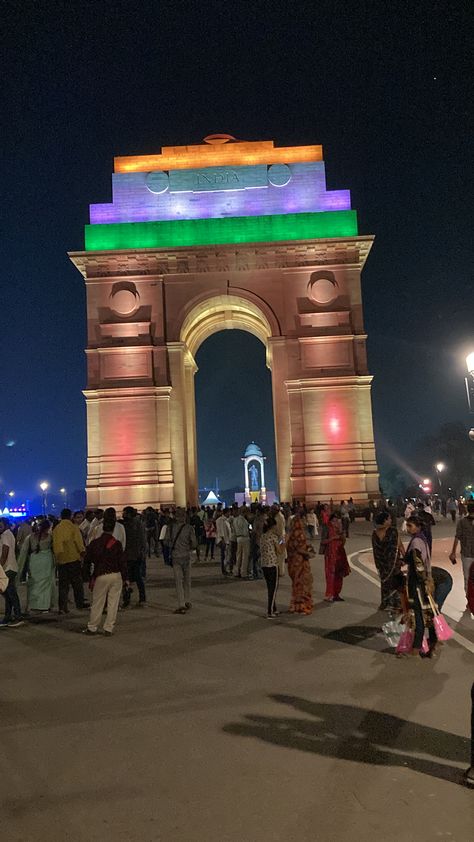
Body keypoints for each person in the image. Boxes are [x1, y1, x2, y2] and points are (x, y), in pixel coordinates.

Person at [82, 508, 129, 636]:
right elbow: (122, 561)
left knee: (98, 602)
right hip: (116, 574)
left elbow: (87, 560)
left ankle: (92, 627)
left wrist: (88, 575)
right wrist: (126, 578)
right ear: (113, 529)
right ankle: (108, 628)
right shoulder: (117, 544)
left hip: (101, 574)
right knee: (113, 603)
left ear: (102, 528)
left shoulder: (95, 543)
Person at [402, 515, 436, 658]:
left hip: (417, 583)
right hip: (425, 581)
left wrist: (422, 581)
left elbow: (418, 565)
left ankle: (416, 649)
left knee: (418, 614)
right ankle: (432, 644)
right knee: (427, 613)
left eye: (410, 526)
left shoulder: (416, 542)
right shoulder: (423, 539)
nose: (408, 528)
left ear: (418, 526)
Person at [52, 508, 86, 614]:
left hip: (61, 560)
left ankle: (62, 607)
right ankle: (79, 603)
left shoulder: (57, 528)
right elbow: (79, 543)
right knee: (77, 583)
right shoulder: (73, 527)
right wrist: (82, 552)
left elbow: (55, 545)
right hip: (73, 558)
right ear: (70, 516)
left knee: (63, 585)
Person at [18, 519, 56, 612]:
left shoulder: (30, 537)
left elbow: (23, 552)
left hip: (34, 561)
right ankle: (44, 605)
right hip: (46, 561)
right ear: (48, 528)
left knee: (34, 584)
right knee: (46, 584)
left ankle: (33, 604)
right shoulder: (50, 537)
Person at [164, 508, 197, 614]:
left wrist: (174, 546)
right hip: (186, 556)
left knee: (178, 581)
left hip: (176, 556)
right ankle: (188, 600)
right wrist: (187, 547)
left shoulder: (171, 528)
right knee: (187, 580)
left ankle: (181, 604)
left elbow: (166, 541)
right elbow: (194, 543)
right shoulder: (189, 528)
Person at [372, 510, 404, 609]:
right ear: (385, 521)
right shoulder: (393, 531)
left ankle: (385, 603)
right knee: (397, 583)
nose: (390, 520)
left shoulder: (374, 533)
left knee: (385, 582)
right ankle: (396, 603)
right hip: (393, 562)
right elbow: (399, 545)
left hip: (381, 563)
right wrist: (406, 557)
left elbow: (376, 550)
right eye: (389, 518)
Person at [286, 511, 313, 614]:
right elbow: (299, 548)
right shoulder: (299, 534)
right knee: (302, 585)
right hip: (300, 562)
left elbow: (288, 545)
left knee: (295, 584)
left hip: (292, 563)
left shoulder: (290, 534)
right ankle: (301, 606)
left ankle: (295, 605)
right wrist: (308, 553)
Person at [122, 506, 147, 607]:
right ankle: (141, 598)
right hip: (133, 555)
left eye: (124, 513)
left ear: (128, 513)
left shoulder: (128, 525)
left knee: (130, 578)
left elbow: (141, 540)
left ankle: (128, 599)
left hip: (132, 556)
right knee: (136, 578)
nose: (123, 514)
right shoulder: (135, 524)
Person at [0, 517, 24, 627]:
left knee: (11, 594)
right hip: (10, 567)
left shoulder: (5, 535)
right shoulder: (8, 534)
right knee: (8, 594)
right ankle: (8, 617)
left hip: (8, 568)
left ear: (5, 525)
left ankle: (18, 616)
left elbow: (5, 551)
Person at [449, 500, 474, 600]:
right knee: (467, 578)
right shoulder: (462, 522)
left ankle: (469, 599)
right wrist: (453, 552)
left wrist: (453, 552)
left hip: (466, 554)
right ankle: (469, 599)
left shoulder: (462, 522)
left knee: (467, 578)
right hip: (467, 553)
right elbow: (457, 536)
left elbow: (457, 537)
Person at [323, 512, 350, 602]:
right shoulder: (327, 528)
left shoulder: (340, 529)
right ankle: (330, 594)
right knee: (331, 575)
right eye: (333, 521)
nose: (335, 523)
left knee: (339, 574)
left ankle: (336, 594)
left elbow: (343, 542)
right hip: (330, 555)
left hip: (339, 553)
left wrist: (341, 535)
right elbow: (323, 542)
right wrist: (333, 538)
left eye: (336, 521)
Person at [259, 516, 281, 619]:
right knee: (273, 588)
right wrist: (283, 541)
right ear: (272, 527)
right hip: (272, 564)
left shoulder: (263, 536)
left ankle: (274, 608)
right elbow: (279, 551)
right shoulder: (273, 537)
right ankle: (270, 611)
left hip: (264, 564)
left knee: (270, 587)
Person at [233, 507, 251, 579]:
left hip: (238, 538)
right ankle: (243, 572)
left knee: (238, 555)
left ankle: (236, 571)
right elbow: (245, 530)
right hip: (245, 538)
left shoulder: (235, 519)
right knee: (245, 556)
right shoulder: (243, 520)